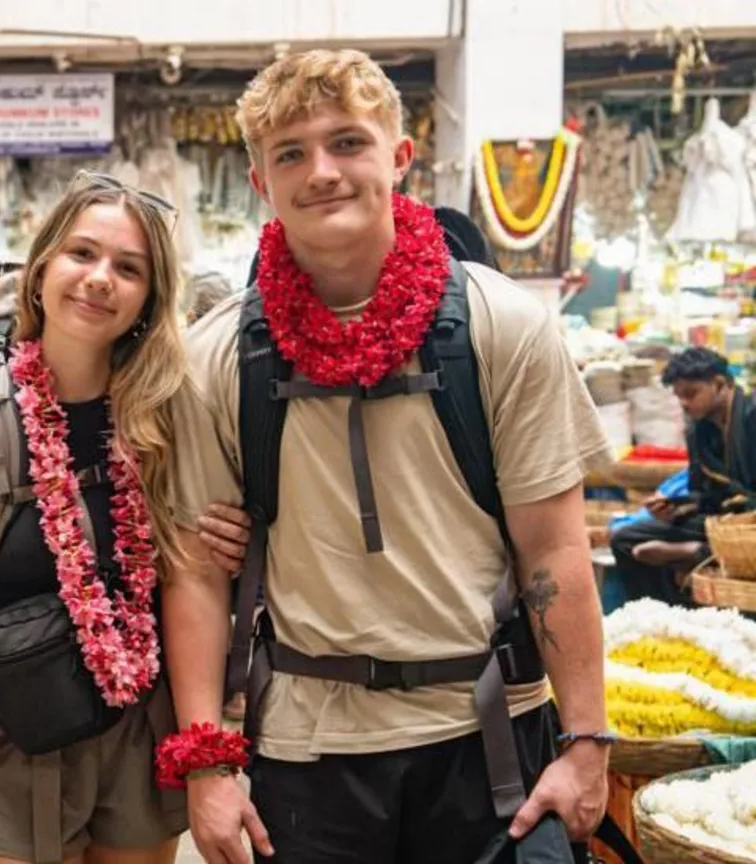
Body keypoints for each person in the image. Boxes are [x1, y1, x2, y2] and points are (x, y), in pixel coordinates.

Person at [163, 49, 613, 863]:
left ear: (399, 159)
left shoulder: (498, 325)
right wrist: (208, 763)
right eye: (291, 154)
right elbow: (194, 571)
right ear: (260, 182)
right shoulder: (218, 355)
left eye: (347, 142)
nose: (322, 172)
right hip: (304, 753)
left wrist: (586, 740)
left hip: (492, 742)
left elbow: (555, 548)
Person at [0, 172, 192, 864]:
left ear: (150, 299)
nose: (99, 279)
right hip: (12, 743)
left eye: (128, 268)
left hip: (138, 738)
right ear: (40, 272)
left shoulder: (165, 421)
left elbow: (190, 570)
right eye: (81, 254)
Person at [610, 347, 755, 605]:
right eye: (679, 397)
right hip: (719, 521)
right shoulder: (698, 431)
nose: (685, 404)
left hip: (748, 525)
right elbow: (705, 494)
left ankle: (701, 553)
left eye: (691, 394)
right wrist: (675, 508)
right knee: (624, 539)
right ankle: (664, 616)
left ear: (720, 384)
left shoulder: (751, 416)